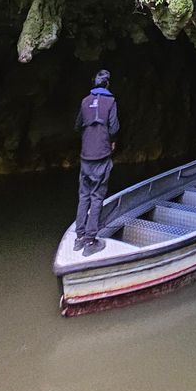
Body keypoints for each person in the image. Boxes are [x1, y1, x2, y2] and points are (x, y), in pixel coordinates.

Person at [74, 69, 120, 256]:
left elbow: (77, 125)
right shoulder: (110, 102)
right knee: (97, 197)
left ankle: (79, 237)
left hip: (86, 156)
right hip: (101, 155)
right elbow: (114, 127)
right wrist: (111, 140)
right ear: (107, 84)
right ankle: (90, 240)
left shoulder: (85, 101)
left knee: (84, 195)